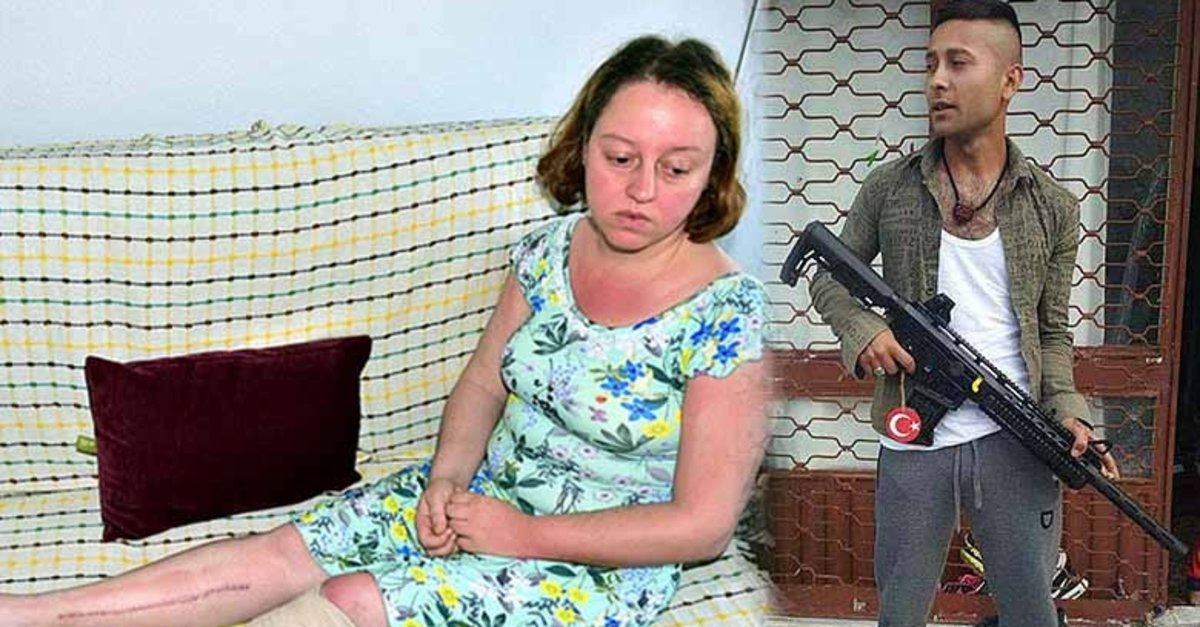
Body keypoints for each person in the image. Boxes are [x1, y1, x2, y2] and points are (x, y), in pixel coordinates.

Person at [0, 35, 769, 627]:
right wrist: (446, 479)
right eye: (620, 157)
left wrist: (523, 535)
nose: (641, 189)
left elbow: (701, 525)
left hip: (594, 560)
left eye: (676, 169)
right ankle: (33, 614)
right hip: (482, 496)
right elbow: (482, 384)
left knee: (353, 598)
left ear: (713, 175)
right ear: (585, 143)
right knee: (284, 552)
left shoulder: (725, 312)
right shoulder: (549, 250)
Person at [807, 2, 1119, 626]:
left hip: (1017, 434)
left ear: (1010, 80)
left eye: (958, 63)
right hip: (913, 434)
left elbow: (1053, 332)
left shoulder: (1053, 206)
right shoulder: (890, 189)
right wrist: (863, 330)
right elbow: (828, 276)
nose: (937, 81)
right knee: (900, 610)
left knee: (1031, 610)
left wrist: (1069, 412)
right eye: (931, 65)